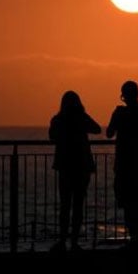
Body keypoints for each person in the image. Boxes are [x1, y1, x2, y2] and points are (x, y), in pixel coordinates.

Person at [106, 80, 138, 249]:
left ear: (124, 96)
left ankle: (134, 239)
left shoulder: (120, 114)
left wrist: (117, 115)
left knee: (130, 205)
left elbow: (108, 133)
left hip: (124, 166)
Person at [49, 90, 101, 252]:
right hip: (82, 167)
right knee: (78, 206)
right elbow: (97, 129)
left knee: (65, 205)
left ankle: (63, 241)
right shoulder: (81, 118)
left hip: (65, 167)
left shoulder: (58, 119)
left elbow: (52, 137)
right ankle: (74, 242)